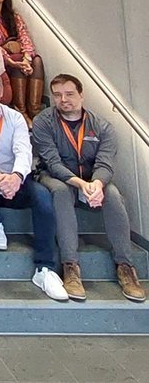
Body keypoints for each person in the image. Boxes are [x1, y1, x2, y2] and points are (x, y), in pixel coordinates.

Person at [0, 70, 68, 301]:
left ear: (1, 91)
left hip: (14, 181)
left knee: (44, 198)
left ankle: (44, 268)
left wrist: (16, 176)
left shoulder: (15, 117)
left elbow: (23, 150)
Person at [32, 74, 145, 303]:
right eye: (57, 95)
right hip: (55, 177)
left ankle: (125, 267)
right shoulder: (43, 122)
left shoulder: (102, 126)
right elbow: (52, 163)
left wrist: (97, 184)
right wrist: (82, 185)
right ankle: (70, 266)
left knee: (112, 195)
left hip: (91, 179)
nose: (64, 99)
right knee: (61, 192)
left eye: (70, 94)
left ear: (82, 95)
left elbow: (105, 163)